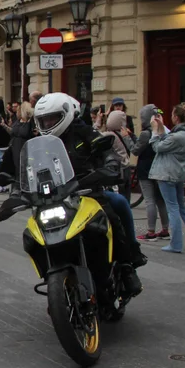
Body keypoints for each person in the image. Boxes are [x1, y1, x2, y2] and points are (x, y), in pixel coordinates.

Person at [32, 93, 145, 294]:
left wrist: (110, 163)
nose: (48, 123)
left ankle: (128, 264)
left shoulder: (83, 132)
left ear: (65, 115)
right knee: (33, 229)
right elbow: (29, 164)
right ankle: (52, 273)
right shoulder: (40, 142)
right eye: (44, 119)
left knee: (115, 207)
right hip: (55, 197)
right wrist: (14, 181)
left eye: (52, 118)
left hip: (87, 191)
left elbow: (104, 149)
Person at [149, 106, 185, 254]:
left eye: (173, 114)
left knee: (172, 208)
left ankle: (175, 244)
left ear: (176, 118)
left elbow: (158, 147)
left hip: (167, 174)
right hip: (178, 174)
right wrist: (162, 127)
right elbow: (168, 142)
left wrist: (155, 131)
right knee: (181, 207)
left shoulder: (178, 136)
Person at [131, 104, 170, 242]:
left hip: (146, 170)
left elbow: (135, 150)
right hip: (159, 169)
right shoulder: (161, 131)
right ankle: (165, 229)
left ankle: (151, 232)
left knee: (149, 200)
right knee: (160, 200)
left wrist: (128, 137)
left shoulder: (145, 133)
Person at [0, 102, 35, 180]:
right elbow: (12, 132)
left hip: (25, 147)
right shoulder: (18, 121)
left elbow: (32, 134)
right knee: (16, 167)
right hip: (15, 147)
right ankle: (17, 185)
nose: (17, 112)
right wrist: (4, 125)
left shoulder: (31, 122)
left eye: (19, 110)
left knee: (24, 168)